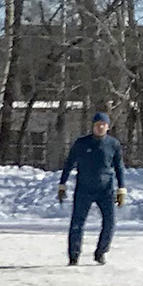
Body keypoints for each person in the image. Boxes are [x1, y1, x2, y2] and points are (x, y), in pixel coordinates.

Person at [56, 110, 127, 265]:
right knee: (77, 222)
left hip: (106, 189)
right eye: (98, 124)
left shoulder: (113, 144)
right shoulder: (82, 143)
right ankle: (74, 255)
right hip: (84, 189)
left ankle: (101, 251)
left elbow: (119, 167)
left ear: (108, 127)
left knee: (110, 222)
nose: (100, 127)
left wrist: (122, 188)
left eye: (103, 125)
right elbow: (69, 163)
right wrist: (62, 184)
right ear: (93, 126)